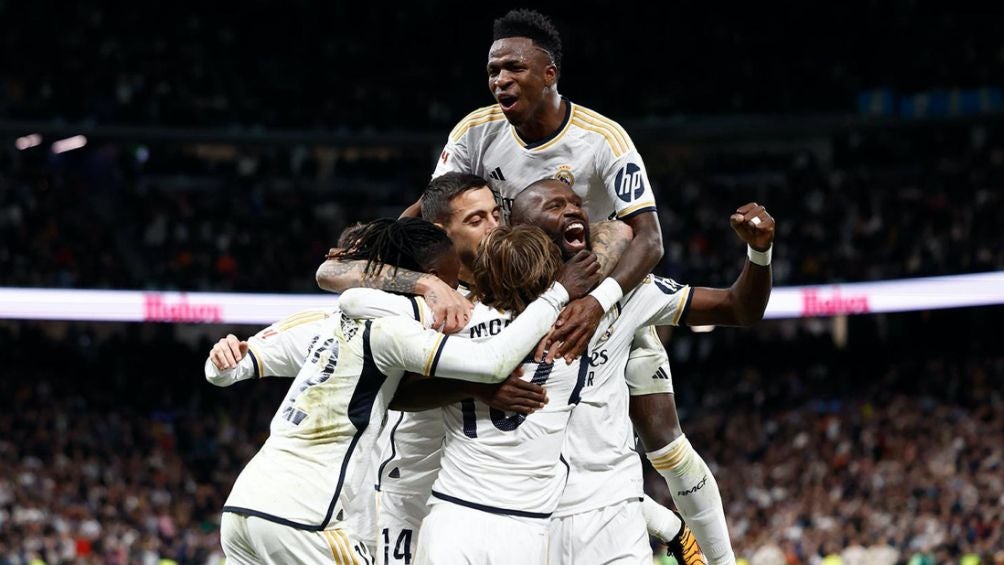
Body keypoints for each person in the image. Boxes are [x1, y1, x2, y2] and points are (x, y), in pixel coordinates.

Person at [419, 8, 742, 563]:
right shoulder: (474, 132)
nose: (499, 80)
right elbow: (432, 215)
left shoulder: (602, 139)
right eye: (493, 69)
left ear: (550, 73)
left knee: (661, 434)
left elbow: (648, 238)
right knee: (530, 446)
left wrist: (598, 301)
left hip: (598, 302)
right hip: (516, 304)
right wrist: (412, 274)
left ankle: (717, 557)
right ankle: (655, 522)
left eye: (513, 68)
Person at [208, 217, 599, 564]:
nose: (455, 293)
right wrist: (558, 294)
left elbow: (223, 372)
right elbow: (493, 363)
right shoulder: (393, 328)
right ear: (425, 280)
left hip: (243, 509)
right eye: (449, 283)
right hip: (303, 517)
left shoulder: (332, 322)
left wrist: (221, 359)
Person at [509, 179, 774, 564]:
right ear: (520, 232)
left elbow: (738, 308)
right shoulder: (495, 304)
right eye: (554, 206)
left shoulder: (629, 290)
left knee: (666, 443)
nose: (572, 209)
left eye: (575, 202)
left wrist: (759, 252)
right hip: (527, 515)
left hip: (613, 519)